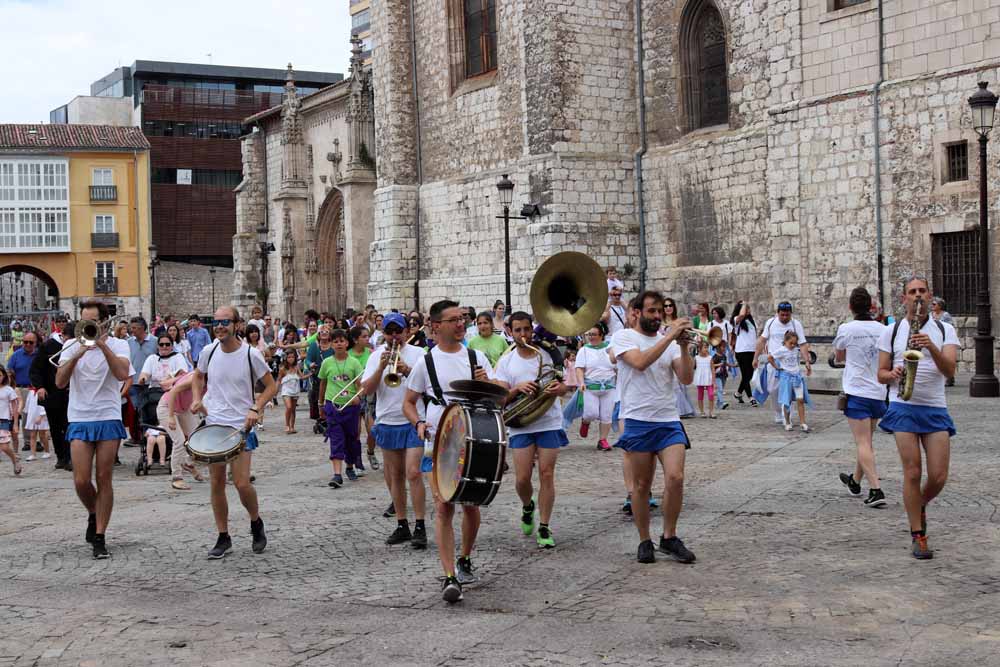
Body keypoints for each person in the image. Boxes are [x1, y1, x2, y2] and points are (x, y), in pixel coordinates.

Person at [403, 299, 495, 603]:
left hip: (471, 436)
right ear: (436, 326)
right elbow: (409, 400)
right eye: (454, 319)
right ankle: (450, 575)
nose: (461, 324)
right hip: (440, 440)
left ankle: (465, 556)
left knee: (471, 504)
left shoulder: (476, 356)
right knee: (443, 507)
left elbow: (497, 400)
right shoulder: (425, 362)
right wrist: (417, 421)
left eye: (462, 318)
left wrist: (488, 383)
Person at [877, 277, 959, 560]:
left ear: (930, 295)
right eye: (912, 292)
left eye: (922, 291)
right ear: (904, 299)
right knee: (912, 472)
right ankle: (918, 535)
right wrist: (893, 374)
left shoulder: (944, 329)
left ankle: (917, 504)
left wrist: (931, 347)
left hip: (935, 407)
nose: (917, 296)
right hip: (903, 405)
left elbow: (950, 371)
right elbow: (881, 373)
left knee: (938, 476)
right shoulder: (892, 330)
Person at [615, 291, 696, 564]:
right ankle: (644, 539)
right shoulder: (624, 338)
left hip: (668, 419)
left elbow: (686, 378)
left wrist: (683, 347)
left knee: (676, 477)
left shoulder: (670, 343)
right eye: (652, 311)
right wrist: (670, 336)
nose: (658, 316)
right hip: (637, 419)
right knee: (641, 486)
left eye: (660, 311)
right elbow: (639, 363)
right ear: (637, 312)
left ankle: (669, 536)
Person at [191, 306, 277, 559]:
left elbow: (271, 386)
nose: (219, 326)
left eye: (224, 322)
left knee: (241, 484)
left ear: (237, 325)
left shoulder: (251, 354)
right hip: (214, 424)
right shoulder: (209, 351)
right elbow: (198, 377)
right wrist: (197, 398)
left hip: (241, 426)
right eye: (215, 322)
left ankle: (255, 521)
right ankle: (223, 536)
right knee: (216, 483)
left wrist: (256, 407)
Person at [55, 301, 132, 559]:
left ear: (104, 322)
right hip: (79, 416)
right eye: (83, 320)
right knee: (80, 479)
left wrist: (100, 344)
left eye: (92, 320)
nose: (86, 325)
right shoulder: (69, 346)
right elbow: (60, 381)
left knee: (104, 477)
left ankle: (100, 536)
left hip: (108, 415)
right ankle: (93, 512)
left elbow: (122, 374)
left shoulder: (119, 344)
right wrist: (78, 352)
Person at [495, 312, 571, 549]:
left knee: (547, 474)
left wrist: (559, 390)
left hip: (548, 420)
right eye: (518, 330)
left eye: (527, 329)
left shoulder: (547, 354)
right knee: (522, 479)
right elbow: (500, 399)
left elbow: (566, 384)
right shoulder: (506, 361)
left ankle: (545, 526)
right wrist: (517, 388)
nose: (523, 335)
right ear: (511, 332)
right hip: (521, 423)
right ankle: (528, 505)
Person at [361, 313, 428, 547]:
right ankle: (402, 524)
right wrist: (381, 367)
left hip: (414, 420)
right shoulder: (376, 355)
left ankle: (420, 525)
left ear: (406, 332)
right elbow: (367, 390)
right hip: (388, 420)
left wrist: (408, 370)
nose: (394, 336)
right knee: (396, 476)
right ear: (384, 334)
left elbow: (430, 387)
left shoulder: (419, 355)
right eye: (389, 332)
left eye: (398, 331)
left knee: (413, 473)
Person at [833, 286, 888, 508]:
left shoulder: (847, 329)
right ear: (871, 306)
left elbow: (838, 357)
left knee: (863, 442)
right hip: (878, 392)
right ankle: (855, 481)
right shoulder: (883, 329)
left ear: (850, 307)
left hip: (857, 391)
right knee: (866, 441)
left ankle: (876, 489)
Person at [319, 329, 364, 487]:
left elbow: (360, 385)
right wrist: (321, 403)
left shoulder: (354, 363)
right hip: (333, 405)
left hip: (351, 407)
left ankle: (350, 465)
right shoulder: (326, 363)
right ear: (331, 344)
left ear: (347, 343)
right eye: (335, 341)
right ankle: (337, 475)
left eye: (341, 341)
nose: (339, 344)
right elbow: (323, 383)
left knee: (351, 438)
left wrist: (358, 397)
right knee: (336, 439)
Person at [754, 302, 811, 425]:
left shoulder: (796, 325)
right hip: (773, 361)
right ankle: (778, 412)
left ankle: (788, 415)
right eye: (782, 315)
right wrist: (755, 357)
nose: (785, 317)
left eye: (787, 315)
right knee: (772, 389)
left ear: (791, 314)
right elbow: (762, 341)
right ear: (777, 313)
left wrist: (806, 361)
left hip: (790, 365)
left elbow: (802, 344)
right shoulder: (771, 323)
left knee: (789, 390)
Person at [30, 318, 72, 470]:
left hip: (71, 394)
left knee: (69, 426)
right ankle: (61, 457)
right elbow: (35, 369)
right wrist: (39, 387)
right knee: (55, 427)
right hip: (51, 393)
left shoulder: (77, 346)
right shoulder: (48, 346)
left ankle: (70, 457)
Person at [158, 371, 204, 490]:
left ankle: (187, 463)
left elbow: (199, 401)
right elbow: (173, 391)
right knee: (179, 441)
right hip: (167, 407)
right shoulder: (194, 378)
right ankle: (176, 478)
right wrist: (171, 416)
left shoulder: (211, 381)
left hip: (184, 409)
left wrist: (208, 415)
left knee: (197, 437)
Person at [575, 322, 617, 450]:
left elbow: (617, 368)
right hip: (590, 388)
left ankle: (602, 440)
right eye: (589, 334)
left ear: (601, 335)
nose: (591, 337)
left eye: (594, 334)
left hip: (609, 387)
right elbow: (579, 368)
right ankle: (585, 421)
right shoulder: (584, 350)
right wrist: (581, 383)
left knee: (607, 415)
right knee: (591, 413)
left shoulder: (610, 349)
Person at [768, 330, 811, 432]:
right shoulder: (781, 350)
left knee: (800, 399)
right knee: (787, 401)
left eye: (794, 343)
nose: (792, 345)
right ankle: (787, 422)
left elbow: (803, 351)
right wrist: (777, 367)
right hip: (786, 377)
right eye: (790, 343)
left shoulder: (796, 350)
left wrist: (807, 364)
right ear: (785, 341)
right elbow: (770, 357)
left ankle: (803, 422)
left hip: (797, 376)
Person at [126, 317, 158, 443]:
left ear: (143, 328)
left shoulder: (155, 341)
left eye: (135, 328)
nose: (132, 330)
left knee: (150, 411)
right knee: (137, 410)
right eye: (131, 327)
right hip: (133, 382)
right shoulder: (128, 342)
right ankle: (139, 437)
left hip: (151, 383)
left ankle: (150, 437)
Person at [662, 297, 695, 418]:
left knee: (679, 380)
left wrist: (690, 345)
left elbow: (689, 335)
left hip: (677, 350)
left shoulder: (679, 321)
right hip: (664, 351)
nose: (668, 308)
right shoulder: (660, 323)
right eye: (665, 306)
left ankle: (680, 409)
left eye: (670, 305)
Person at [731, 301, 757, 405]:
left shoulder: (751, 320)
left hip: (752, 351)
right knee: (745, 375)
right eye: (746, 309)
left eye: (749, 309)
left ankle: (738, 393)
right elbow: (741, 315)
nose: (748, 310)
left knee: (749, 375)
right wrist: (744, 305)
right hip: (742, 351)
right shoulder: (736, 320)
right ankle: (751, 397)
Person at [277, 349, 306, 434]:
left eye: (292, 357)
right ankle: (287, 425)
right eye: (289, 357)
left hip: (295, 390)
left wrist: (311, 373)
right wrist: (274, 392)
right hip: (286, 391)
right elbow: (278, 380)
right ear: (285, 358)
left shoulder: (296, 367)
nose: (291, 359)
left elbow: (302, 377)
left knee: (293, 409)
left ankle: (292, 427)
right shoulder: (282, 369)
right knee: (289, 407)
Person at [0, 367, 22, 476]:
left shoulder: (8, 390)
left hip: (3, 420)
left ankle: (15, 459)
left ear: (3, 376)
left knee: (4, 446)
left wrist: (16, 424)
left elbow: (14, 407)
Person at [23, 387, 50, 461]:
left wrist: (41, 416)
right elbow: (28, 403)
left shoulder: (42, 391)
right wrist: (27, 412)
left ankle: (47, 451)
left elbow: (44, 404)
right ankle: (33, 454)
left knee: (42, 435)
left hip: (41, 416)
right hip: (32, 415)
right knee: (32, 435)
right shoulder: (31, 392)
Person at [693, 340, 717, 419]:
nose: (706, 349)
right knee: (700, 395)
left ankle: (711, 411)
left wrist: (714, 381)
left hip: (708, 378)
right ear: (699, 348)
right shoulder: (696, 358)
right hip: (700, 378)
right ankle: (702, 411)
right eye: (705, 347)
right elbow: (692, 367)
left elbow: (713, 369)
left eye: (707, 347)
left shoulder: (710, 358)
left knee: (711, 394)